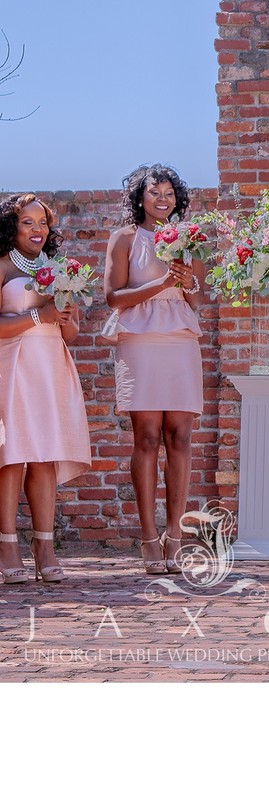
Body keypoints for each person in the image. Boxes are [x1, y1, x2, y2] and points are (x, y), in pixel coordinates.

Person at [104, 165, 205, 575]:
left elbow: (197, 301)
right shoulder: (124, 238)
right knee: (146, 438)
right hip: (139, 340)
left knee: (179, 436)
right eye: (153, 192)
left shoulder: (190, 239)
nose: (161, 199)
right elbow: (113, 297)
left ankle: (175, 536)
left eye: (168, 193)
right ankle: (148, 537)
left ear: (176, 198)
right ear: (139, 198)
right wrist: (162, 282)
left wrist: (187, 281)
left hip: (179, 338)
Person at [0, 193, 91, 584]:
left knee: (44, 458)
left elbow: (71, 331)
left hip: (51, 363)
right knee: (13, 457)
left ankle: (44, 545)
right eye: (27, 222)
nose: (38, 230)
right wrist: (40, 312)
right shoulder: (2, 267)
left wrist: (63, 309)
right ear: (12, 227)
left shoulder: (59, 269)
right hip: (13, 365)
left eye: (43, 223)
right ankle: (7, 546)